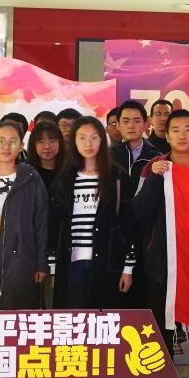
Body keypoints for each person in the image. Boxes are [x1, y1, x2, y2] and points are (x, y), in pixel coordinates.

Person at [133, 110, 189, 377]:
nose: (182, 135)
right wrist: (154, 178)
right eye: (175, 130)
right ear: (167, 136)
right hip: (162, 262)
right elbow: (139, 213)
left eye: (187, 129)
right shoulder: (154, 167)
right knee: (161, 327)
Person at [50, 116, 136, 308]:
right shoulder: (65, 179)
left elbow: (129, 225)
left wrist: (128, 268)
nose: (88, 143)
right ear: (74, 141)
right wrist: (54, 268)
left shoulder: (118, 177)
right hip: (73, 264)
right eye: (82, 137)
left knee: (104, 320)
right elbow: (55, 225)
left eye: (94, 137)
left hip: (108, 263)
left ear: (102, 140)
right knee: (75, 320)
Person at [0, 120, 48, 311]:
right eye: (1, 141)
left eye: (13, 141)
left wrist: (41, 263)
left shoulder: (31, 178)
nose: (7, 146)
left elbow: (41, 224)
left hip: (22, 260)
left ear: (21, 146)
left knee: (20, 315)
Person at [26, 119, 64, 190]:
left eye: (52, 141)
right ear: (33, 144)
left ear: (60, 142)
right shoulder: (26, 172)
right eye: (40, 141)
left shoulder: (69, 170)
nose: (47, 146)